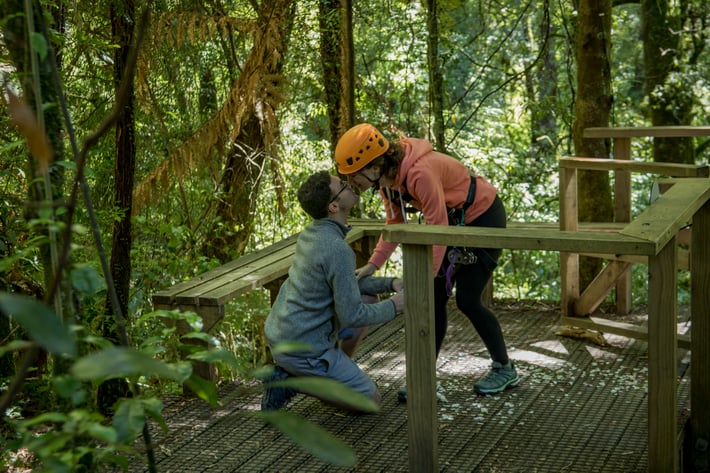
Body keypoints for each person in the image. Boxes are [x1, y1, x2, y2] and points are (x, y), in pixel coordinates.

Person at [334, 123, 519, 400]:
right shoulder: (389, 185)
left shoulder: (420, 173)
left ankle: (504, 368)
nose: (352, 184)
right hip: (454, 223)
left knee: (467, 300)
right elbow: (395, 224)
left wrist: (428, 276)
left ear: (374, 166)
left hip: (484, 217)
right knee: (434, 300)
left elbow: (437, 229)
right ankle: (424, 378)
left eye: (354, 176)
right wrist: (373, 265)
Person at [261, 170, 405, 412]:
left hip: (285, 335)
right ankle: (292, 381)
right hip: (304, 348)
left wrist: (390, 284)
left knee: (369, 297)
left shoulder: (313, 233)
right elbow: (352, 316)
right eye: (343, 186)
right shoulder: (336, 249)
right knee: (370, 401)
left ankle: (332, 375)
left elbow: (346, 285)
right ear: (334, 206)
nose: (350, 185)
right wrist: (396, 306)